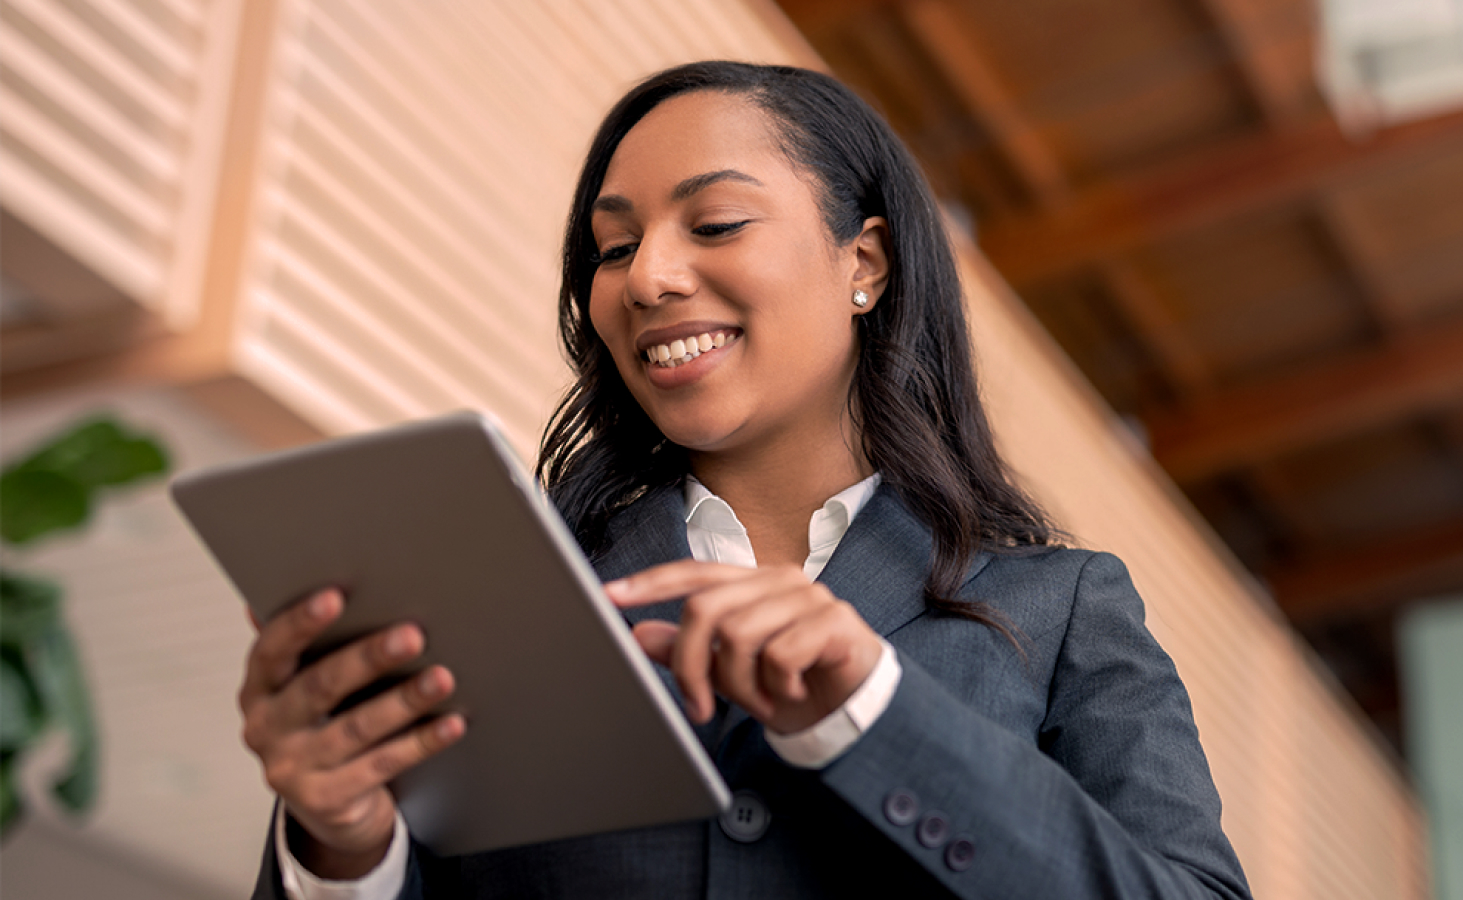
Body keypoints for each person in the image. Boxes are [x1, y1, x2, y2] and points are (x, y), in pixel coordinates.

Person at [239, 61, 1252, 899]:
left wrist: (870, 710)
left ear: (866, 263)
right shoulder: (506, 599)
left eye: (715, 223)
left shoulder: (1060, 607)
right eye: (614, 246)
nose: (645, 279)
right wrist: (340, 847)